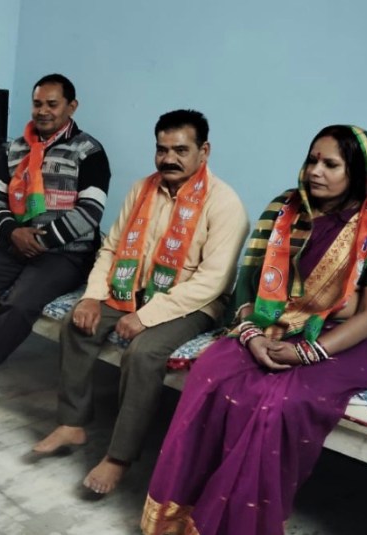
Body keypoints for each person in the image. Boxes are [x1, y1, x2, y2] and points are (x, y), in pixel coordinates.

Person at [142, 125, 367, 535]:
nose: (315, 171)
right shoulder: (285, 209)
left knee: (278, 403)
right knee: (210, 373)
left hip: (346, 336)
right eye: (312, 160)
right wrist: (251, 335)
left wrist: (306, 352)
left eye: (331, 165)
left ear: (359, 172)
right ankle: (182, 516)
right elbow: (251, 282)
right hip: (273, 320)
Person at [32, 110, 250, 496]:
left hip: (192, 303)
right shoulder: (141, 189)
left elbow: (212, 282)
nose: (169, 158)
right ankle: (72, 423)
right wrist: (92, 297)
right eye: (162, 149)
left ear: (204, 151)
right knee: (77, 324)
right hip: (130, 287)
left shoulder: (225, 203)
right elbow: (112, 248)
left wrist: (146, 317)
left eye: (181, 150)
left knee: (143, 353)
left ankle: (119, 457)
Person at [0, 73, 112, 416]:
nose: (43, 111)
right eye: (37, 103)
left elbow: (90, 212)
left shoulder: (89, 151)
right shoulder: (15, 148)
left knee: (17, 305)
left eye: (52, 104)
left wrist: (43, 240)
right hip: (15, 242)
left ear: (72, 107)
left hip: (65, 253)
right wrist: (13, 233)